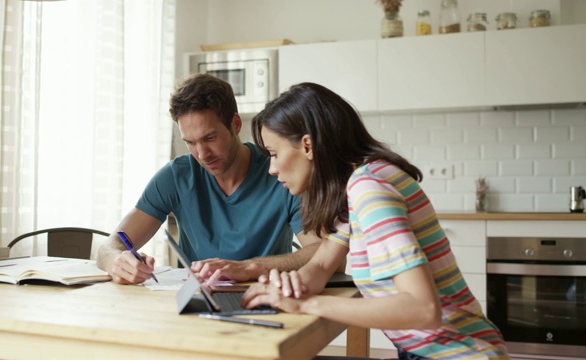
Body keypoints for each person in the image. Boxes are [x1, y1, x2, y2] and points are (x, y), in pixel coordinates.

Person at [242, 82, 510, 360]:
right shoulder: (359, 184)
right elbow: (321, 265)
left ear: (307, 145)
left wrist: (307, 305)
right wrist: (282, 287)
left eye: (274, 154)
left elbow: (424, 310)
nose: (272, 169)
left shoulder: (369, 188)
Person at [97, 73, 325, 285]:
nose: (202, 154)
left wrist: (249, 267)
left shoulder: (282, 172)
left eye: (210, 138)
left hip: (267, 297)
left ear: (235, 124)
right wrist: (117, 261)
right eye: (191, 142)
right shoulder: (176, 176)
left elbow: (321, 251)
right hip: (197, 302)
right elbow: (110, 246)